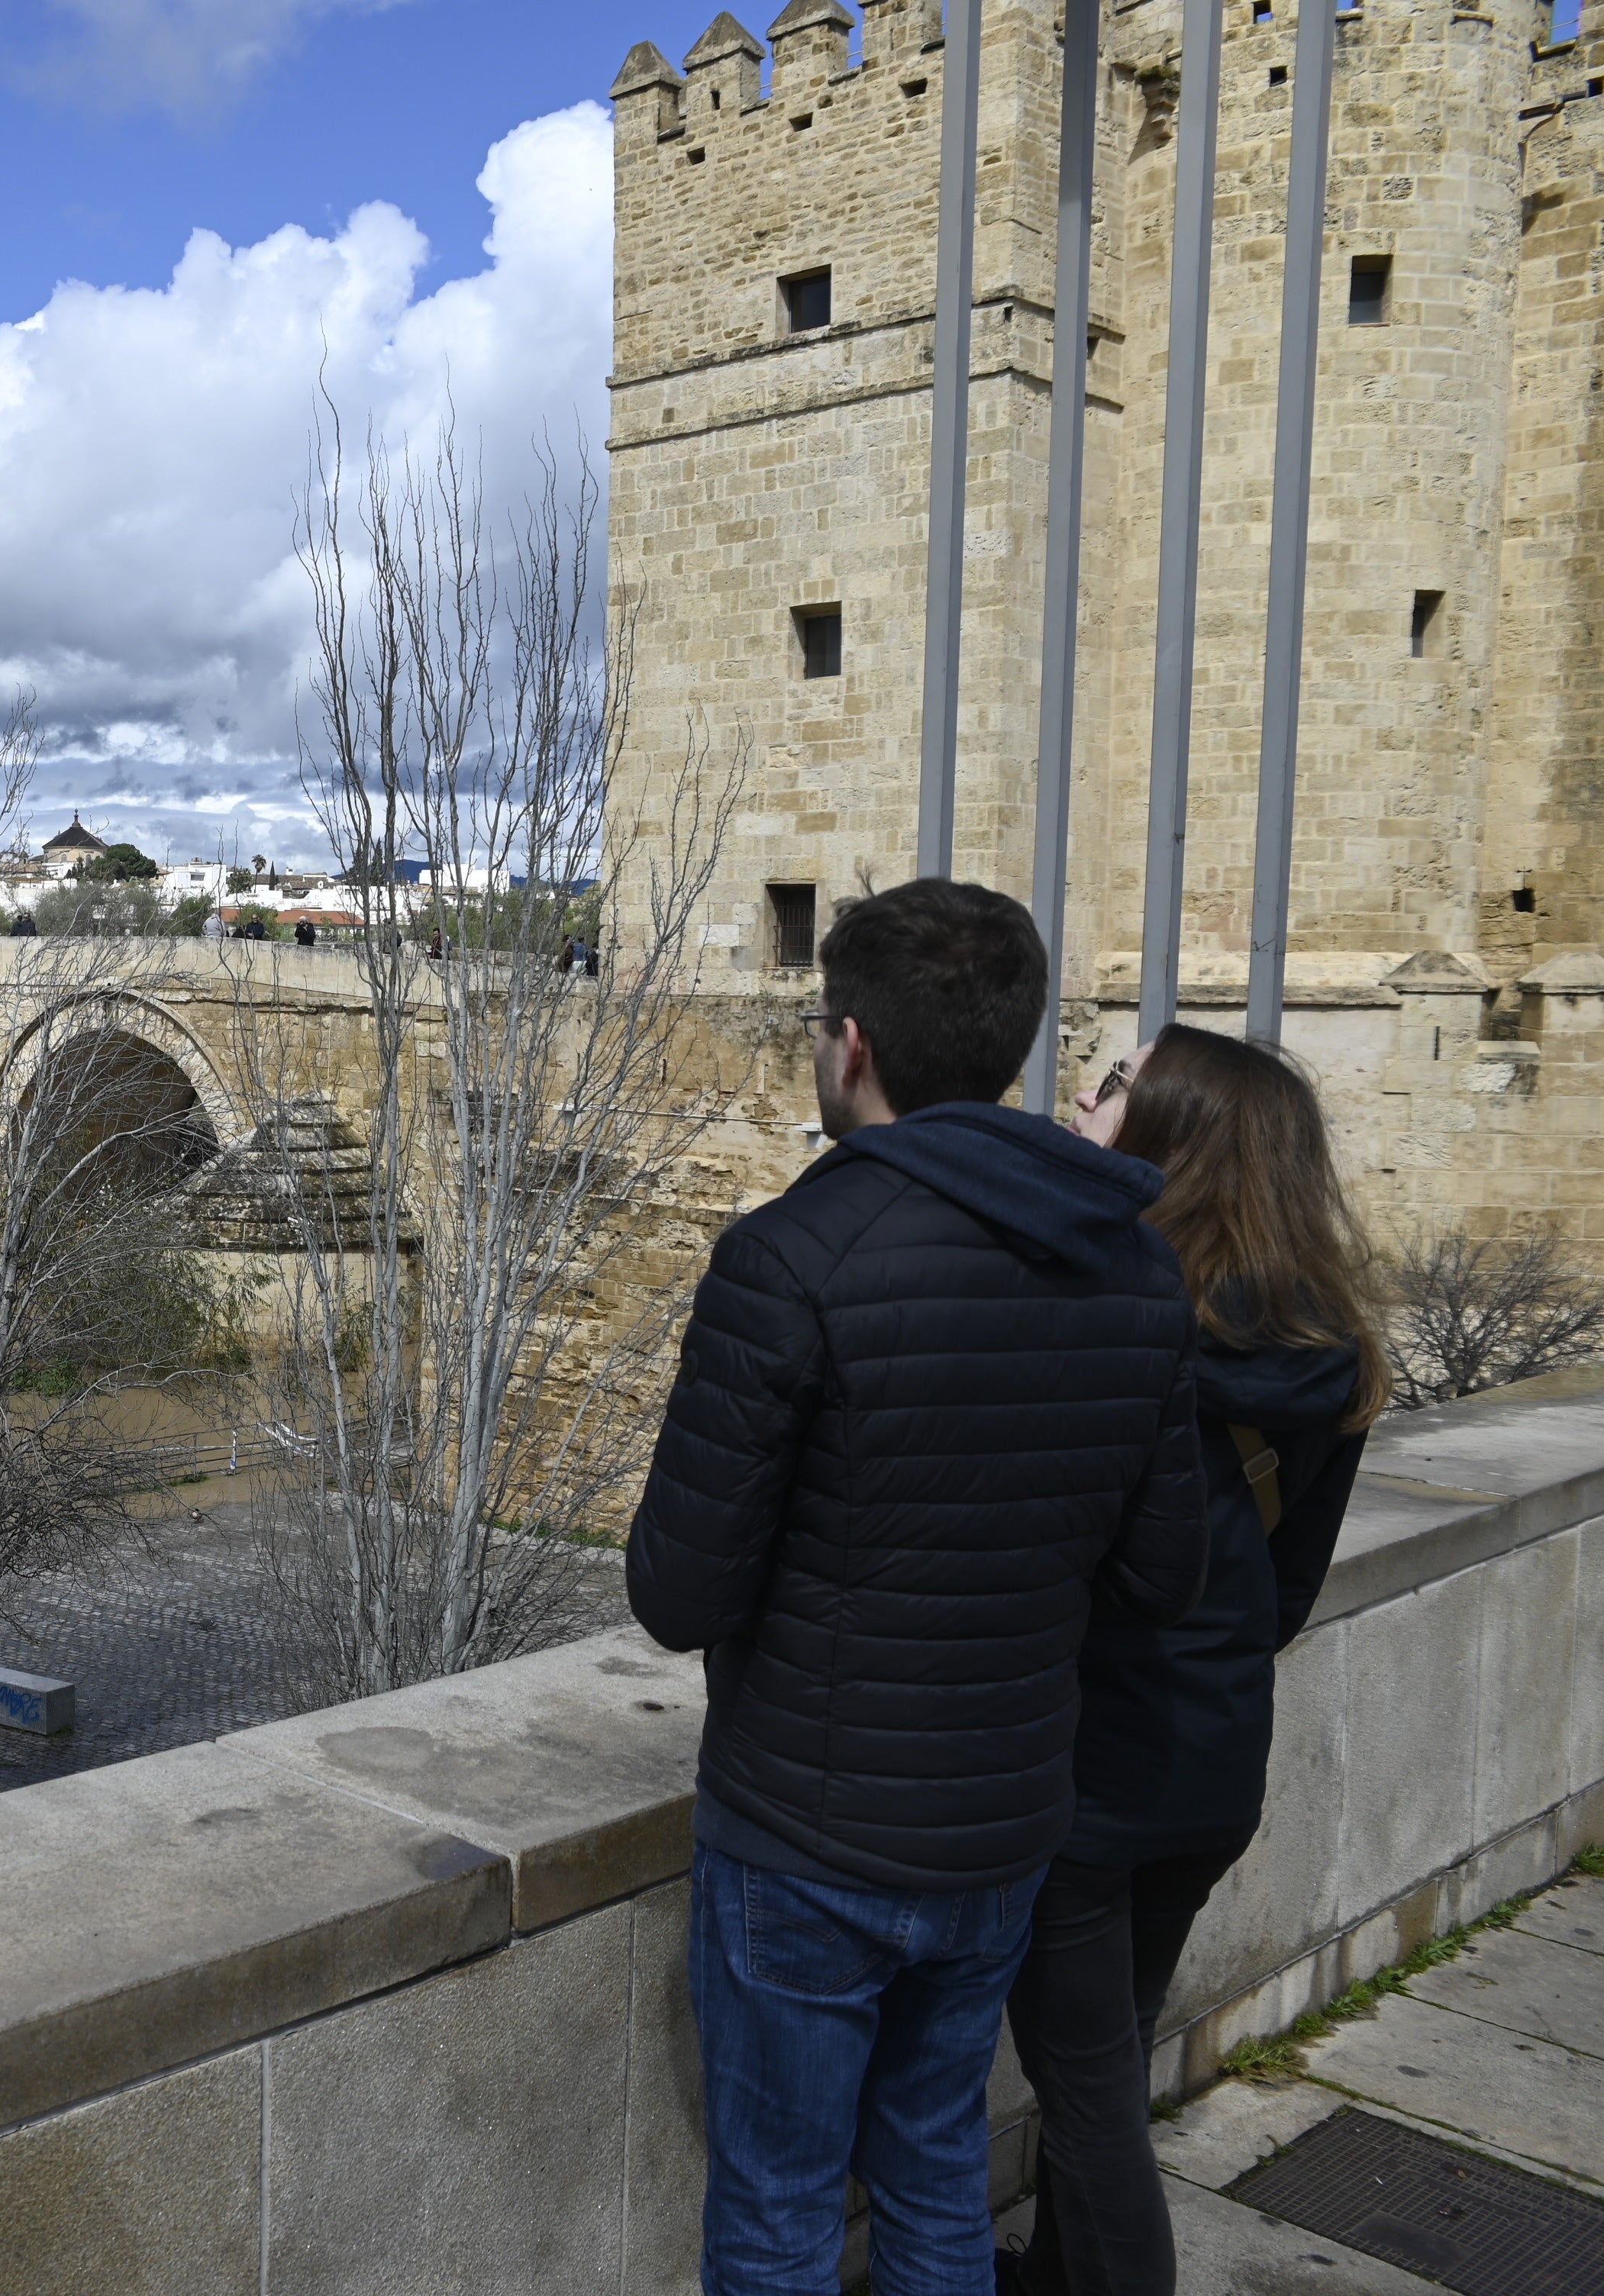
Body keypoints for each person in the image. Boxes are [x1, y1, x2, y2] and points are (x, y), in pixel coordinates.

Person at [628, 878, 1209, 2296]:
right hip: (1003, 1827)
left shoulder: (788, 1259)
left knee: (777, 2209)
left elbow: (679, 1592)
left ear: (853, 1046)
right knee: (939, 2175)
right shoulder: (1136, 1271)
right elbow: (1165, 1572)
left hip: (805, 1835)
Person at [1001, 1027, 1383, 2296]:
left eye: (1112, 1083)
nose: (1080, 1090)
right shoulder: (1328, 1353)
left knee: (1093, 2092)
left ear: (1178, 1136)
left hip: (1084, 1772)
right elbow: (1284, 1596)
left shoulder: (1107, 1320)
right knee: (1104, 2065)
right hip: (1213, 1766)